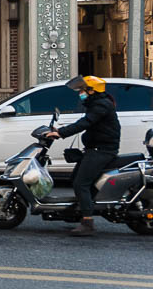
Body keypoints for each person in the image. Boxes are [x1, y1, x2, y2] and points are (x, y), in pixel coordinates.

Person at [52, 76, 120, 236]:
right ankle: (80, 211)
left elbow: (85, 123)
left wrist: (60, 133)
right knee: (76, 179)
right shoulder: (97, 104)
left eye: (83, 90)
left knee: (81, 183)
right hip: (95, 148)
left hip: (102, 150)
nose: (80, 93)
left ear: (92, 91)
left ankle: (88, 221)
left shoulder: (101, 105)